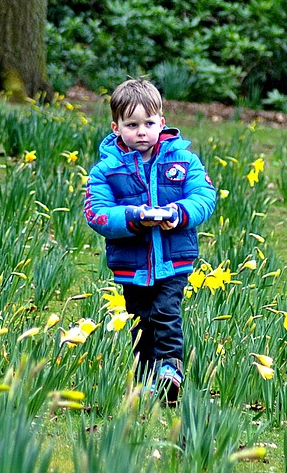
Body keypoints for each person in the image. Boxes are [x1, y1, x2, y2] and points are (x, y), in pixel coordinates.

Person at [84, 78, 217, 403]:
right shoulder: (106, 171)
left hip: (173, 259)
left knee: (166, 311)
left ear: (162, 122)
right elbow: (97, 214)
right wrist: (132, 217)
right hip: (132, 264)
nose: (141, 131)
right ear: (116, 127)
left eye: (149, 123)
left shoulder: (184, 162)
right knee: (140, 319)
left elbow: (204, 196)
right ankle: (145, 378)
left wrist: (178, 213)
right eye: (132, 125)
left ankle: (171, 368)